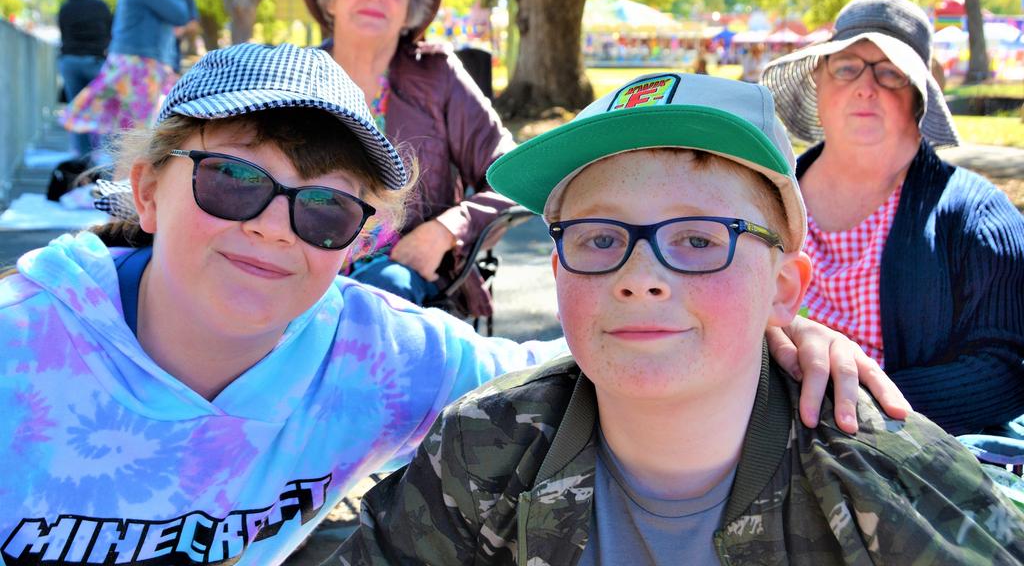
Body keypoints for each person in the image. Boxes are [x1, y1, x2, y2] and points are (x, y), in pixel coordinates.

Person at [0, 46, 898, 565]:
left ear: (357, 243)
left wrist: (775, 330)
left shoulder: (377, 355)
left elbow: (602, 355)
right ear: (146, 192)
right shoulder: (17, 352)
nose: (274, 229)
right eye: (233, 181)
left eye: (324, 208)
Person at [330, 72, 1024, 565]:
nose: (640, 278)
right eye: (600, 238)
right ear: (557, 268)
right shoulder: (484, 447)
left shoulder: (893, 486)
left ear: (785, 289)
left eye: (699, 240)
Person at [760, 0, 1024, 435]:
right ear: (819, 85)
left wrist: (852, 407)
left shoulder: (977, 219)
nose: (866, 86)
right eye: (846, 67)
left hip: (907, 464)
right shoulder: (757, 202)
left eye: (890, 73)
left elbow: (1007, 369)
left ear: (919, 98)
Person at [301, 0, 515, 314]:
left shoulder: (437, 75)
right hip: (300, 257)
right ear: (330, 0)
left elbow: (514, 175)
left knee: (380, 297)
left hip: (397, 272)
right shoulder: (296, 76)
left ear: (409, 13)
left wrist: (446, 230)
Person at [61, 0, 192, 150]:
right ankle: (119, 181)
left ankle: (114, 179)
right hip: (139, 63)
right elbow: (180, 14)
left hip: (138, 61)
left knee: (130, 132)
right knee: (136, 135)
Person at [57, 0, 113, 158]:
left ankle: (81, 157)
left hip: (70, 61)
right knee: (102, 109)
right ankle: (104, 156)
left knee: (77, 109)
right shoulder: (100, 6)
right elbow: (110, 32)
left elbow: (63, 33)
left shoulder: (66, 7)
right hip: (95, 61)